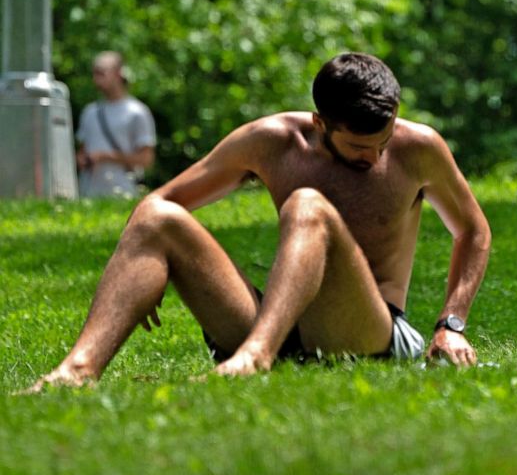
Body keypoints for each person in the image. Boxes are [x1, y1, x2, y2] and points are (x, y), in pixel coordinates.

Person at [27, 52, 491, 391]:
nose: (374, 158)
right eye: (357, 147)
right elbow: (163, 201)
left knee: (306, 204)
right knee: (156, 216)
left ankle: (254, 357)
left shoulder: (420, 148)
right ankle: (77, 371)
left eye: (382, 143)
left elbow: (473, 230)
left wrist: (451, 324)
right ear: (320, 123)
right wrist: (141, 274)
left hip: (364, 329)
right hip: (278, 319)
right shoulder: (272, 141)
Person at [76, 51, 157, 197]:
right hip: (88, 195)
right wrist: (82, 159)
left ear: (119, 73)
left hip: (124, 194)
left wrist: (106, 156)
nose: (96, 79)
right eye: (94, 74)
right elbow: (83, 151)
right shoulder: (90, 112)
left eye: (101, 73)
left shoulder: (137, 112)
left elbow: (146, 159)